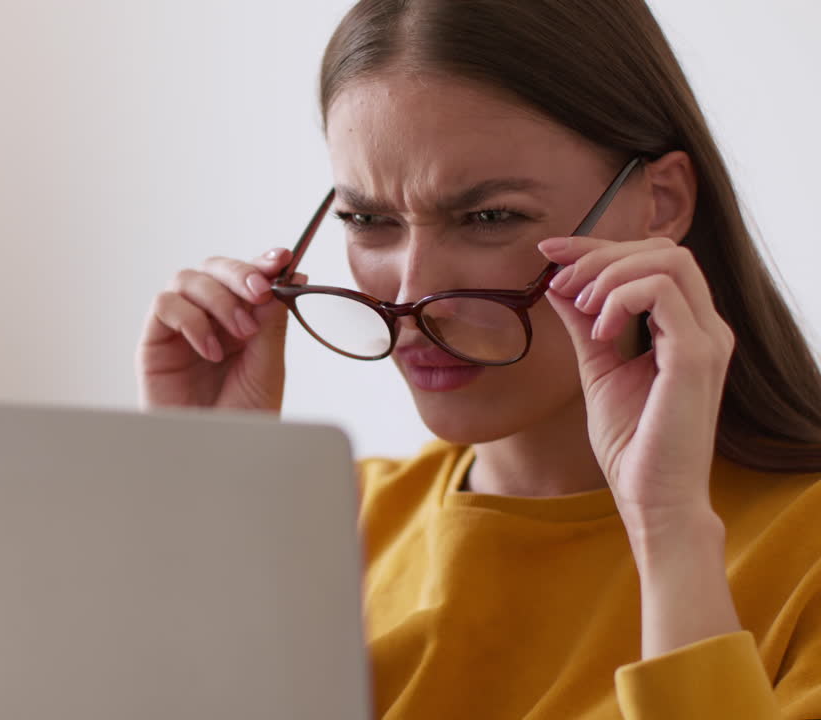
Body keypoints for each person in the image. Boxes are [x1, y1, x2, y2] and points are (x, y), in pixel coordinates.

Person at [135, 1, 821, 718]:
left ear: (661, 202)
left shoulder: (802, 552)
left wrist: (671, 531)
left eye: (489, 217)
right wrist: (205, 490)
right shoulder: (334, 525)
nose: (412, 294)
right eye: (368, 220)